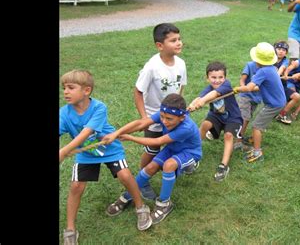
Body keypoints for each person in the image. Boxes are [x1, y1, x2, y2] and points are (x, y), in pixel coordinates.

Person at [59, 70, 152, 244]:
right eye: (64, 88)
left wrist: (64, 152)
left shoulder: (99, 108)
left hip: (110, 148)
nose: (65, 92)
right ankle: (70, 229)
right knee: (76, 186)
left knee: (125, 175)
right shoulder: (64, 113)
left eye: (71, 88)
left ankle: (141, 206)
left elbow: (86, 133)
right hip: (86, 154)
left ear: (86, 91)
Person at [102, 93, 202, 225]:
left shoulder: (186, 128)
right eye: (162, 117)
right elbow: (141, 123)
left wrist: (129, 137)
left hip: (189, 152)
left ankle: (164, 203)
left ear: (182, 118)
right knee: (150, 167)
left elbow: (157, 141)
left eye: (169, 119)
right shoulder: (166, 114)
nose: (164, 121)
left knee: (168, 165)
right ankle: (128, 195)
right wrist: (117, 133)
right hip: (172, 148)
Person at [133, 23, 193, 200]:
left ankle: (181, 164)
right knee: (152, 149)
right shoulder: (151, 66)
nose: (179, 43)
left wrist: (179, 109)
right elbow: (138, 91)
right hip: (155, 115)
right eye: (173, 40)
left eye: (179, 39)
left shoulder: (181, 63)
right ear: (160, 45)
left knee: (176, 142)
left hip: (174, 116)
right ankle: (143, 180)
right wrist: (145, 118)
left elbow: (181, 88)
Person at [188, 61, 243, 182]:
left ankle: (223, 166)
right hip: (216, 116)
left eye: (220, 77)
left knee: (228, 136)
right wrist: (193, 104)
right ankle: (193, 152)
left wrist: (203, 102)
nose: (217, 80)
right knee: (205, 124)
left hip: (233, 118)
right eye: (213, 77)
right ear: (207, 78)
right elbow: (200, 97)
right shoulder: (208, 88)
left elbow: (214, 94)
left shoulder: (226, 85)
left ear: (225, 77)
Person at [233, 42, 286, 162]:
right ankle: (255, 140)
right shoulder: (272, 69)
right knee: (259, 122)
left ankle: (257, 151)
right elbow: (258, 87)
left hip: (274, 104)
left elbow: (249, 88)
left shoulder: (262, 71)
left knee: (256, 126)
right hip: (278, 102)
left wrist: (237, 89)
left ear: (258, 60)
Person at [273, 40, 300, 125]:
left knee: (297, 96)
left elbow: (282, 68)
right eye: (278, 49)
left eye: (284, 50)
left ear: (286, 53)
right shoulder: (270, 60)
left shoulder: (285, 61)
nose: (281, 51)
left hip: (282, 87)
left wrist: (277, 75)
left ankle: (281, 115)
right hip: (271, 88)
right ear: (274, 50)